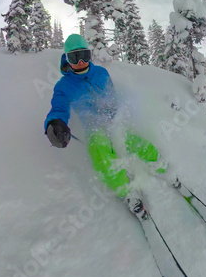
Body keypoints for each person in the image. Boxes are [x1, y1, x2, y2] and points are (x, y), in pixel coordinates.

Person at [44, 34, 172, 212]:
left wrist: (117, 115)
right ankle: (127, 191)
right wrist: (55, 124)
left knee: (134, 141)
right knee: (100, 151)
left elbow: (113, 97)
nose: (80, 61)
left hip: (113, 120)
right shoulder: (64, 86)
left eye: (84, 55)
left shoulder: (101, 73)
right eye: (74, 57)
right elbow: (58, 108)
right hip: (93, 127)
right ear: (67, 58)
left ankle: (162, 166)